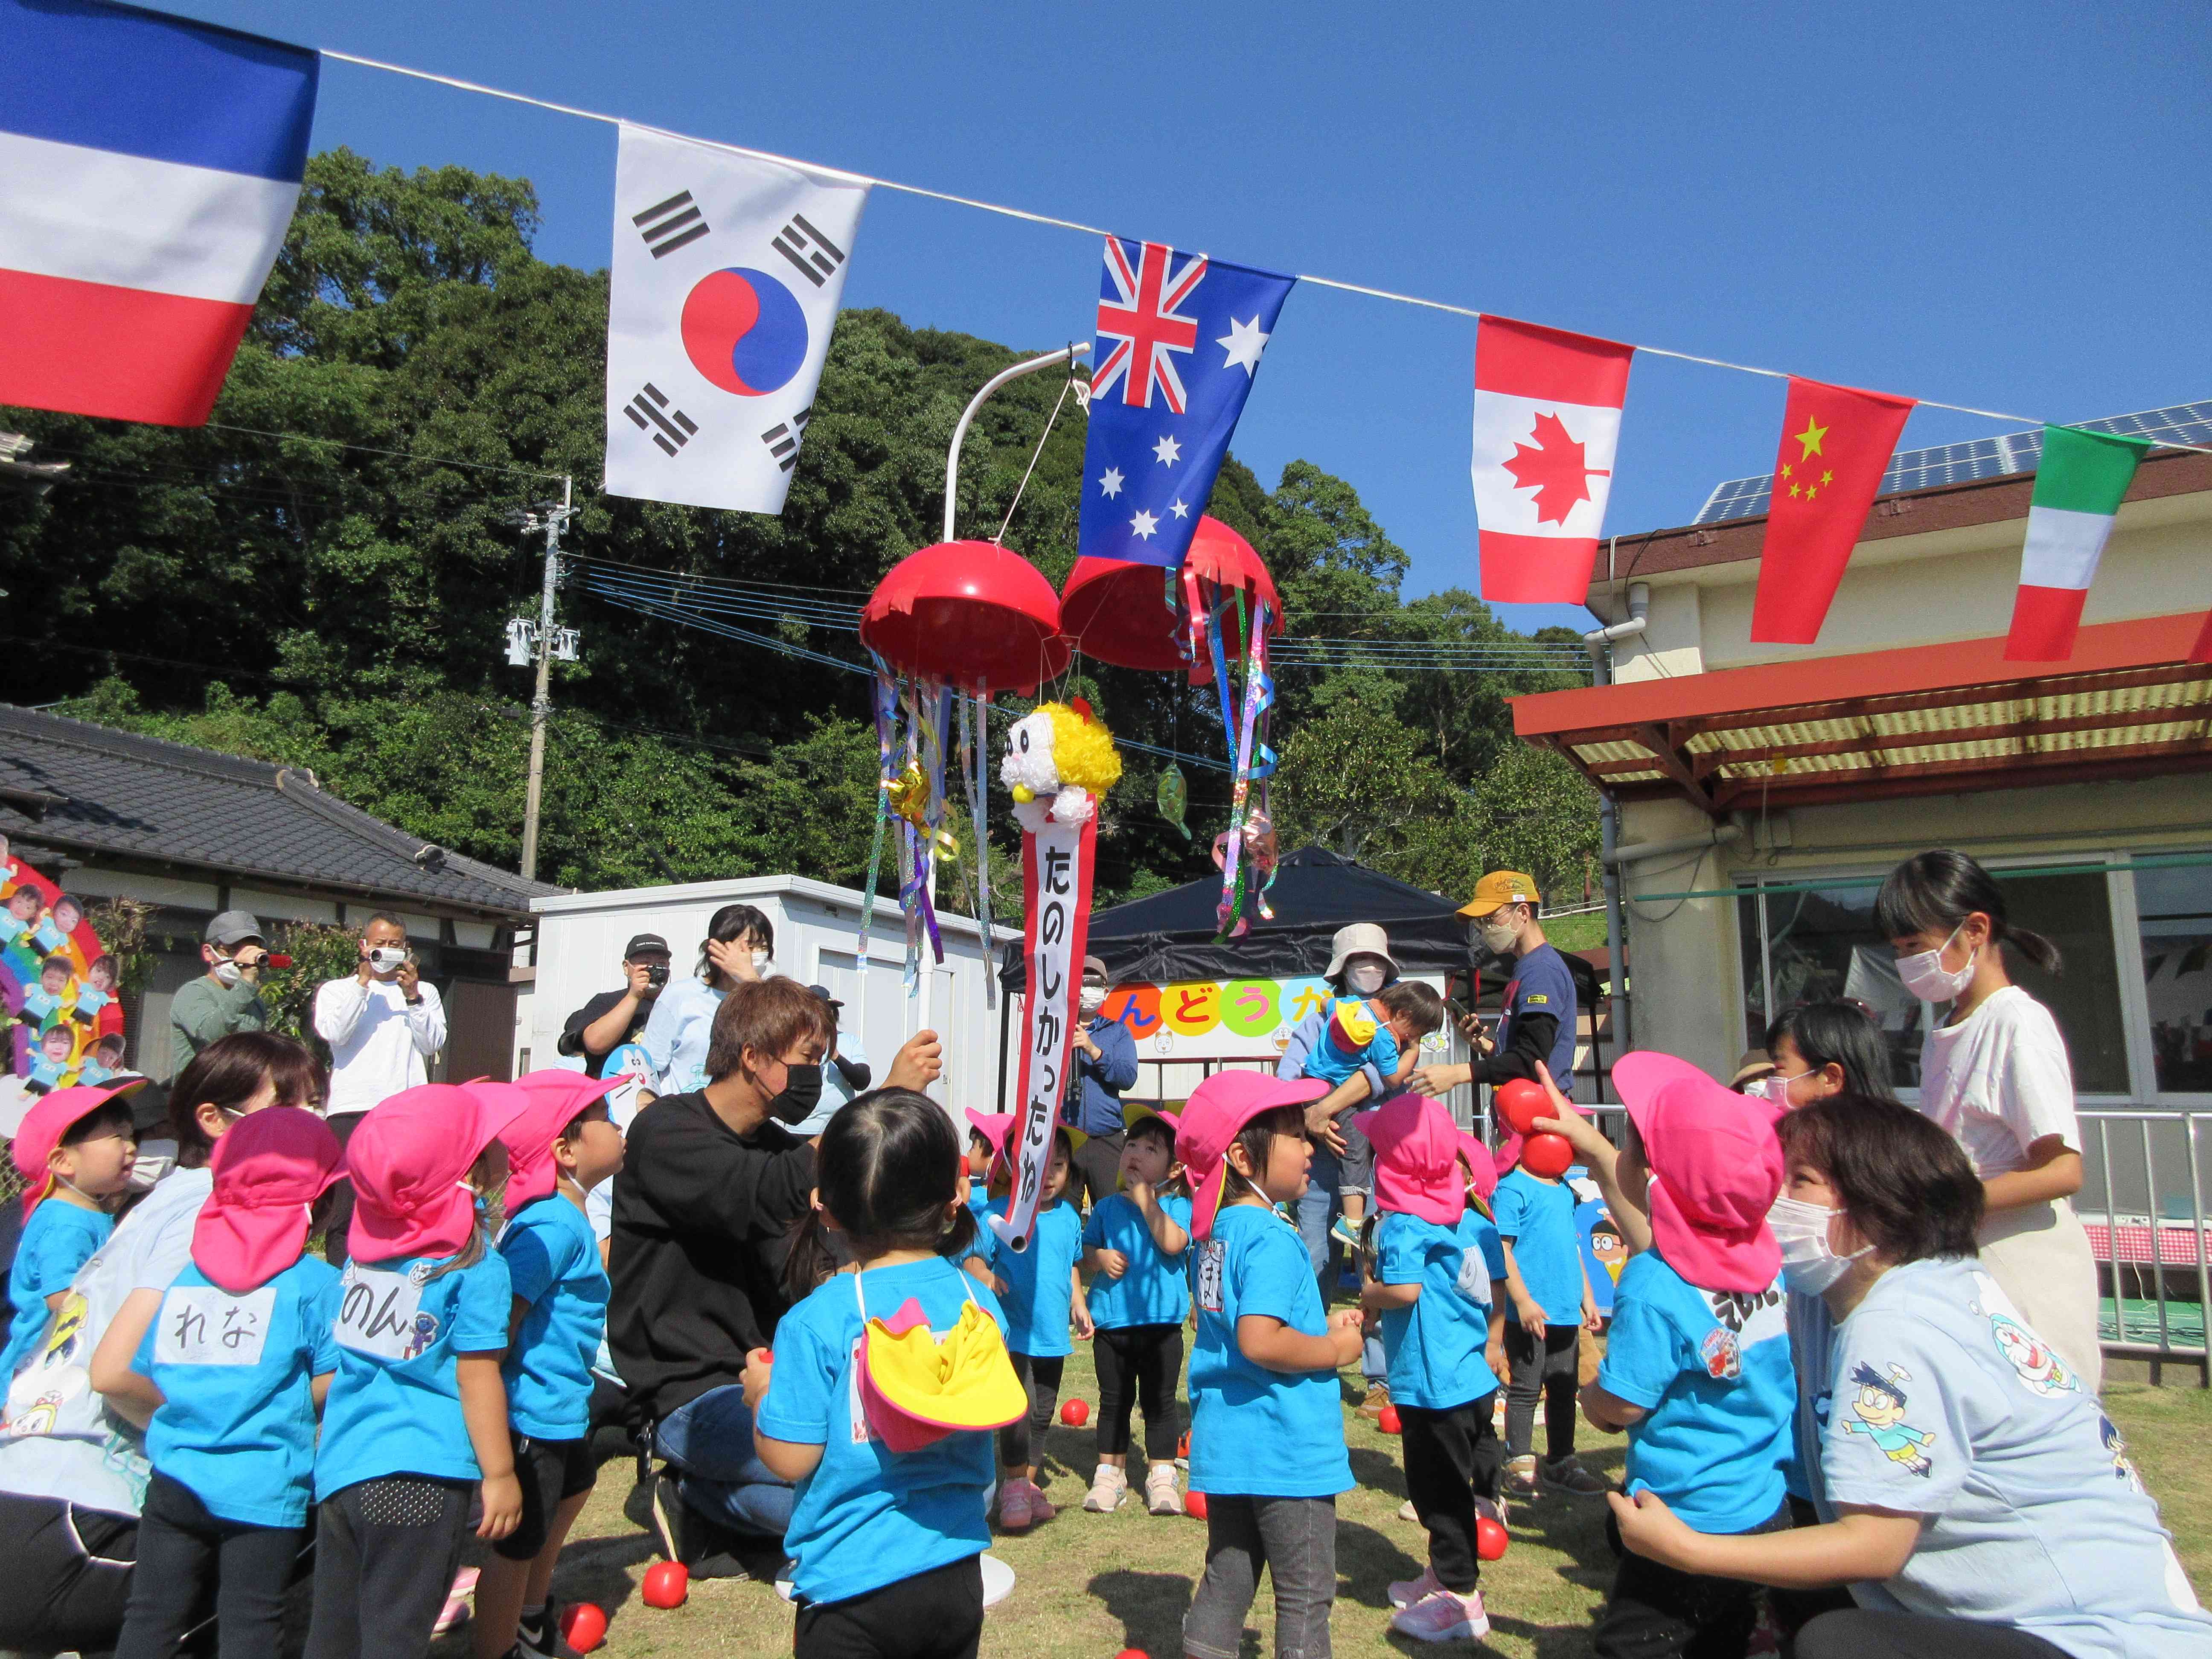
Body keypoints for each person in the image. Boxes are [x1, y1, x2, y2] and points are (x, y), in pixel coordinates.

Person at [1610, 1094, 2212, 1659]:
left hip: (2086, 1637)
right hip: (2064, 1620)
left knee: (1840, 1642)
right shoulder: (1883, 1284)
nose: (1774, 1195)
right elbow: (1690, 1272)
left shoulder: (1897, 1325)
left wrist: (1690, 1551)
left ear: (1877, 1209)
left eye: (1801, 1181)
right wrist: (1601, 1151)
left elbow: (1875, 1544)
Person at [0, 1033, 322, 1657]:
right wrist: (207, 1431)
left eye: (315, 1102)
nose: (311, 1119)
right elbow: (114, 1374)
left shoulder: (160, 1201)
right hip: (70, 1523)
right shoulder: (209, 1208)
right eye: (289, 1103)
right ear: (212, 1118)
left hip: (22, 1488)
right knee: (276, 1503)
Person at [609, 975, 942, 1562]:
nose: (817, 1074)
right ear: (753, 1056)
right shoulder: (665, 1133)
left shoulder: (774, 1143)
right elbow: (767, 1191)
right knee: (839, 1489)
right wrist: (883, 1096)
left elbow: (806, 1227)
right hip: (688, 1393)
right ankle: (693, 1498)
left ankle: (708, 1505)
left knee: (877, 1469)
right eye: (808, 1058)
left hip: (771, 1378)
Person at [748, 1090, 1011, 1659]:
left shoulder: (817, 1320)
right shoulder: (980, 1307)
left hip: (850, 1584)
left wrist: (761, 1396)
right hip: (955, 1573)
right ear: (957, 1197)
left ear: (830, 1209)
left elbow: (790, 1458)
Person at [1577, 1052, 1795, 1659]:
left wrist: (1589, 1398)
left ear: (1650, 1173)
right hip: (1763, 1499)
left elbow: (1620, 1403)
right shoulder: (1772, 1263)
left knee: (1634, 1644)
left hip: (1689, 1514)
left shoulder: (1654, 1282)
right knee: (1718, 1636)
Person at [106, 1109, 344, 1659]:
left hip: (173, 1481)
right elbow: (331, 1378)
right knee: (252, 1623)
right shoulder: (317, 1284)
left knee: (150, 1619)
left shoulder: (185, 1277)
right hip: (263, 1487)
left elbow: (152, 1366)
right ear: (320, 1204)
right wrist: (278, 1399)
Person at [306, 1082, 526, 1659]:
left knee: (334, 1634)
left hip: (341, 1471)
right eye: (492, 1144)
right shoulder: (477, 1264)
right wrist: (500, 1474)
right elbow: (477, 1375)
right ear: (473, 1174)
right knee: (396, 1635)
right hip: (423, 1477)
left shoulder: (362, 1255)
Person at [1875, 850, 2102, 1392]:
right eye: (1898, 950)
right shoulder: (1945, 1033)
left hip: (2024, 1265)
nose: (1906, 963)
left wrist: (1946, 1202)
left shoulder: (2017, 1023)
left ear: (1975, 929)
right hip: (1966, 1257)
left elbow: (2063, 1170)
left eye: (1915, 947)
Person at [1176, 1070, 1362, 1659]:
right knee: (1305, 1596)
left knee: (1227, 1580)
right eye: (1294, 1136)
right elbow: (1260, 1339)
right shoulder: (1272, 1237)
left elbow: (1234, 1325)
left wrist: (1318, 1327)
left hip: (1228, 1447)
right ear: (1242, 1157)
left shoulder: (1216, 1235)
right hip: (1286, 1450)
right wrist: (1332, 1349)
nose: (1311, 1148)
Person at [473, 1073, 626, 1659]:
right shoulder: (551, 1227)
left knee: (577, 1486)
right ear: (565, 1151)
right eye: (606, 1118)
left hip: (562, 1407)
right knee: (516, 1543)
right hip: (531, 1413)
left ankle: (531, 1617)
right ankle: (499, 1647)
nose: (617, 1127)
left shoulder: (567, 1218)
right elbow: (500, 1322)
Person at [1357, 1095, 1508, 1644]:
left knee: (1437, 1491)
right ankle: (1445, 1571)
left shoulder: (1403, 1228)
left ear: (1390, 1169)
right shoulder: (1465, 1221)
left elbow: (1401, 1290)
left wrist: (1368, 1291)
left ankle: (1461, 1598)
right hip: (1468, 1379)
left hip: (1433, 1387)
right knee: (1448, 1489)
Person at [1276, 920, 1402, 1419]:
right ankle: (1308, 1357)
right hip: (1320, 1168)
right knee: (1314, 1261)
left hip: (1381, 1165)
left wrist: (1329, 1105)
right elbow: (1288, 1083)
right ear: (1341, 970)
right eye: (1358, 961)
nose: (1367, 969)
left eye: (1375, 962)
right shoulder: (1318, 1019)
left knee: (1379, 1265)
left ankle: (1382, 1378)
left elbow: (1394, 1078)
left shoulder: (1398, 1024)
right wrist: (1310, 1120)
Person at [969, 1126, 1091, 1530]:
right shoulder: (998, 1214)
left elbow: (1070, 1265)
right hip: (1012, 1329)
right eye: (1040, 1166)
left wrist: (1078, 1301)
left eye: (1058, 1166)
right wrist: (986, 1276)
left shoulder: (1070, 1218)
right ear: (1018, 1168)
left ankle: (1028, 1484)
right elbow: (970, 1258)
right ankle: (1015, 1483)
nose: (1050, 1175)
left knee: (1044, 1411)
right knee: (1021, 1409)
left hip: (1052, 1335)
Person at [313, 913, 447, 1268]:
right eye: (379, 944)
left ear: (407, 949)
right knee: (346, 1204)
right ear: (364, 946)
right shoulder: (337, 990)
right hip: (351, 1108)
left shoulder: (426, 992)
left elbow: (432, 1044)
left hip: (406, 1109)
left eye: (394, 945)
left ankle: (397, 1271)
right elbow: (335, 1034)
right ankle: (339, 1279)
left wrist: (413, 996)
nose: (386, 951)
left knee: (402, 1199)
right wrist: (362, 984)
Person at [1077, 1106, 1190, 1517]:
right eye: (1132, 1145)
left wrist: (1146, 1199)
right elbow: (1086, 1251)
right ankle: (1111, 1473)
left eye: (1151, 1148)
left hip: (1162, 1328)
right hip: (1114, 1325)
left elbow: (1173, 1243)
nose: (1136, 1153)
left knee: (1160, 1403)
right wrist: (1100, 1256)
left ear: (1174, 1168)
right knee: (1114, 1401)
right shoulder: (1106, 1207)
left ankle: (1162, 1475)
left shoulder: (1176, 1206)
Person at [1491, 1116, 1607, 1498]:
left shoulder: (1562, 1189)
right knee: (1525, 1388)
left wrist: (1586, 1297)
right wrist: (1522, 1302)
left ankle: (1561, 1460)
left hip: (1565, 1312)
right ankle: (1519, 1461)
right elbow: (1502, 1251)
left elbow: (1572, 1250)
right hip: (1529, 1314)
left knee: (1563, 1386)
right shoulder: (1511, 1189)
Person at [3, 1083, 141, 1383]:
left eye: (131, 1136)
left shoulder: (81, 1213)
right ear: (64, 1162)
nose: (132, 1147)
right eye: (118, 1137)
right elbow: (62, 1299)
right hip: (39, 1370)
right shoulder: (67, 1224)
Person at [1409, 869, 1580, 1109]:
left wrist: (1458, 1073)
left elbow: (1533, 1061)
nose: (1485, 929)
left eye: (1491, 918)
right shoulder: (1528, 966)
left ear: (1523, 912)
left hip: (1540, 1114)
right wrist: (1488, 1047)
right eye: (1480, 922)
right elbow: (1528, 1054)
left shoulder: (1541, 970)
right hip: (1528, 1111)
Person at [1304, 981, 1448, 1258]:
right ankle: (1353, 1222)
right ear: (1403, 1015)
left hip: (1311, 1080)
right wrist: (1413, 1052)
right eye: (1416, 1032)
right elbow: (1393, 1078)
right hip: (1332, 1089)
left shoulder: (1353, 1006)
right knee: (1354, 1147)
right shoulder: (1381, 1036)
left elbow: (1324, 1003)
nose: (1411, 1038)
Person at [637, 903, 774, 1097]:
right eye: (749, 947)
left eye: (764, 947)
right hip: (683, 1117)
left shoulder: (768, 1002)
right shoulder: (680, 996)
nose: (756, 955)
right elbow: (649, 1066)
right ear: (716, 948)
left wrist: (751, 982)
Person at [1061, 956, 1139, 1209]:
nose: (1087, 989)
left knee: (1112, 1210)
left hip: (1106, 1138)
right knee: (1060, 1213)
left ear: (1105, 991)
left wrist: (1095, 1051)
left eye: (1094, 983)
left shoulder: (1118, 1031)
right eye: (1081, 982)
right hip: (1066, 1138)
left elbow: (1128, 1077)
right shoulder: (1056, 1029)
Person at [556, 933, 672, 1079]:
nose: (654, 968)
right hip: (611, 1094)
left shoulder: (677, 1003)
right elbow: (595, 1044)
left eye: (661, 963)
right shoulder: (607, 1001)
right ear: (626, 967)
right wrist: (634, 996)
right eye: (645, 962)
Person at [168, 911, 272, 1071]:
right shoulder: (193, 992)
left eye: (251, 951)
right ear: (208, 953)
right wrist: (246, 980)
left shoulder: (255, 1001)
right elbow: (212, 1034)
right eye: (233, 950)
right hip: (200, 1092)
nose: (242, 958)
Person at [1763, 1001, 1898, 1113]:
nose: (1768, 1081)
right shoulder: (1904, 1136)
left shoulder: (1809, 1142)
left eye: (1778, 1068)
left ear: (1831, 1078)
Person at [792, 983, 872, 1137]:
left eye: (826, 1010)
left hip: (837, 1129)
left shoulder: (849, 1041)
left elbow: (862, 1082)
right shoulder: (792, 1040)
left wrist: (836, 1056)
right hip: (797, 1129)